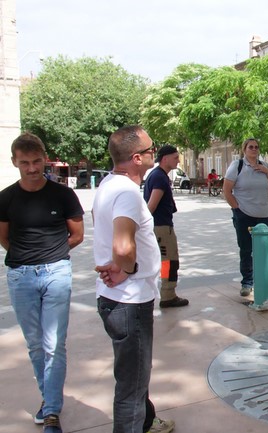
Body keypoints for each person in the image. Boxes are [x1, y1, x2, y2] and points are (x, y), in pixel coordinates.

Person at [92, 125, 175, 433]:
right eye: (152, 149)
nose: (157, 152)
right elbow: (123, 246)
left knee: (135, 374)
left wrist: (119, 265)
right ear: (137, 158)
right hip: (128, 302)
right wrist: (125, 267)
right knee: (131, 386)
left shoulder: (108, 184)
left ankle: (148, 420)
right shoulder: (126, 191)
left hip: (118, 298)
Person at [0, 133, 84, 433]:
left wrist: (53, 255)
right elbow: (5, 238)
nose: (32, 168)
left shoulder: (62, 195)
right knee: (36, 346)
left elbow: (76, 235)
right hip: (20, 276)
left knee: (54, 345)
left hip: (56, 274)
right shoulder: (6, 197)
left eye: (37, 161)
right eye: (25, 163)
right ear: (15, 163)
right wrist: (27, 257)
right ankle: (49, 398)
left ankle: (51, 412)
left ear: (44, 158)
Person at [223, 138, 268, 296]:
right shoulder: (237, 166)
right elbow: (227, 191)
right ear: (244, 149)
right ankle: (247, 282)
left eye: (256, 147)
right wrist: (237, 209)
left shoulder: (265, 165)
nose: (254, 149)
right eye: (251, 147)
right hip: (244, 215)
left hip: (263, 216)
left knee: (265, 250)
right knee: (246, 250)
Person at [143, 145, 189, 308]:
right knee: (169, 261)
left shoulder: (156, 175)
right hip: (161, 226)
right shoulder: (160, 178)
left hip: (160, 225)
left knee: (166, 262)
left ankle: (167, 293)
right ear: (165, 159)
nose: (178, 160)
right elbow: (152, 205)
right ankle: (168, 295)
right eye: (175, 157)